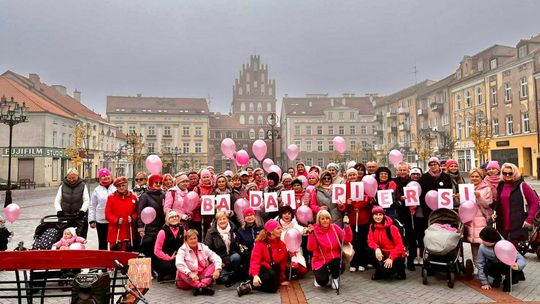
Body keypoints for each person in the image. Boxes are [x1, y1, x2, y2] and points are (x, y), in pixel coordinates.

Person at [237, 219, 289, 296]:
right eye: (278, 229)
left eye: (280, 228)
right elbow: (255, 260)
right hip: (261, 270)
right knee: (271, 275)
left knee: (273, 288)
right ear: (271, 231)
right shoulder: (260, 243)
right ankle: (249, 285)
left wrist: (281, 278)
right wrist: (255, 275)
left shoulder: (282, 245)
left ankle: (252, 286)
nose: (281, 230)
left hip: (273, 269)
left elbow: (283, 263)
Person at [495, 163, 538, 247]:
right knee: (503, 249)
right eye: (504, 173)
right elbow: (498, 202)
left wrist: (529, 219)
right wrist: (495, 212)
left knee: (512, 251)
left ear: (515, 173)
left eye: (510, 173)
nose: (507, 175)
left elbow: (534, 201)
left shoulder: (522, 185)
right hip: (502, 223)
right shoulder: (501, 185)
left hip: (517, 223)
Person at [307, 210, 352, 289]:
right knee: (322, 282)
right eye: (322, 219)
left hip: (335, 259)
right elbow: (311, 248)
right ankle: (320, 278)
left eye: (327, 218)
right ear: (319, 220)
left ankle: (335, 278)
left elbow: (347, 239)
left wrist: (347, 226)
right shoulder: (314, 230)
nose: (325, 221)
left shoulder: (334, 227)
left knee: (339, 263)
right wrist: (311, 234)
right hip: (320, 261)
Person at [339, 168, 372, 272]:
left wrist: (359, 204)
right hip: (352, 218)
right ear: (347, 176)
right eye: (350, 175)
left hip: (363, 217)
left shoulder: (362, 185)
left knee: (363, 240)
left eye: (354, 175)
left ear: (357, 175)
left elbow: (369, 198)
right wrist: (345, 204)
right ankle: (354, 262)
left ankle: (363, 262)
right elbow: (342, 206)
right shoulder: (345, 187)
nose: (352, 177)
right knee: (353, 241)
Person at [477, 227, 526, 292]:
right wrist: (485, 283)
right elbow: (480, 264)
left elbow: (520, 258)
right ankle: (497, 278)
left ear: (490, 240)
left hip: (507, 265)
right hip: (494, 265)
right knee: (487, 267)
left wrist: (518, 265)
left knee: (512, 268)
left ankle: (507, 283)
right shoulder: (482, 247)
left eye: (484, 240)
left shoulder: (505, 245)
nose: (482, 242)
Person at [175, 229, 222, 296]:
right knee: (181, 271)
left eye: (195, 238)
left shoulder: (202, 246)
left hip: (201, 277)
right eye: (190, 239)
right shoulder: (182, 249)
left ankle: (200, 287)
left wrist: (217, 270)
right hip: (187, 281)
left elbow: (215, 257)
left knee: (216, 264)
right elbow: (179, 263)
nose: (193, 241)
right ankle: (201, 287)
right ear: (186, 241)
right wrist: (190, 274)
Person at [368, 206, 407, 280]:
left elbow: (400, 246)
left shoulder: (392, 228)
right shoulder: (372, 226)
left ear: (384, 215)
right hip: (382, 253)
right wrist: (376, 248)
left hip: (395, 255)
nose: (378, 217)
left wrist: (391, 258)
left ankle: (399, 271)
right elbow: (370, 241)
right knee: (368, 251)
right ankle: (381, 269)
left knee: (387, 271)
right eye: (375, 215)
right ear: (372, 216)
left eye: (380, 214)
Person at [204, 211, 241, 287]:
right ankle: (228, 274)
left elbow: (237, 244)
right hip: (219, 259)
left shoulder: (233, 228)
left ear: (227, 219)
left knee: (236, 257)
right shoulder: (211, 232)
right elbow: (207, 249)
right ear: (217, 221)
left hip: (231, 255)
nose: (222, 221)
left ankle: (233, 271)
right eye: (220, 219)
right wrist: (219, 260)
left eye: (224, 218)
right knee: (224, 279)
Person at [465, 168, 493, 263]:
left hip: (481, 220)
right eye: (472, 176)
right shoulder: (467, 187)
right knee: (473, 245)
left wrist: (479, 197)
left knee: (483, 245)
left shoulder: (487, 189)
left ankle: (484, 266)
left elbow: (487, 204)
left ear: (481, 177)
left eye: (477, 176)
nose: (474, 178)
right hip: (471, 221)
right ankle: (476, 265)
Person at [54, 168, 90, 238]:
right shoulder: (62, 186)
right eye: (69, 178)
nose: (71, 180)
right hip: (65, 215)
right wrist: (59, 210)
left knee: (80, 236)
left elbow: (86, 200)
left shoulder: (83, 185)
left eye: (73, 178)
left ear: (77, 176)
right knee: (63, 236)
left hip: (79, 216)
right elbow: (57, 200)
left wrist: (83, 210)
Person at [105, 176, 138, 251]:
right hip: (116, 230)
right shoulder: (111, 198)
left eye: (123, 185)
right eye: (119, 186)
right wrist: (116, 220)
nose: (121, 188)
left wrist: (133, 217)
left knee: (128, 254)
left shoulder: (133, 197)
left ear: (127, 185)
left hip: (128, 230)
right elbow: (107, 213)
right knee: (115, 255)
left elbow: (137, 211)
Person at [138, 174, 166, 261]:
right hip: (149, 228)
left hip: (160, 226)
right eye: (156, 182)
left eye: (160, 183)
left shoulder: (163, 194)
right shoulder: (145, 196)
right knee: (149, 249)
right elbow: (140, 212)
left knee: (159, 248)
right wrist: (140, 228)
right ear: (150, 183)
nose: (158, 184)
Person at [89, 168, 117, 250]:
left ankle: (113, 260)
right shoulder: (97, 190)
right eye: (103, 176)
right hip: (101, 220)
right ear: (100, 178)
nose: (106, 177)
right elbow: (92, 206)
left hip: (114, 220)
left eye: (107, 175)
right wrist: (92, 220)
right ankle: (102, 260)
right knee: (102, 243)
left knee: (114, 243)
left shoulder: (115, 188)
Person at [277, 206, 308, 278]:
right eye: (284, 213)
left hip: (295, 251)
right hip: (282, 253)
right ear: (281, 215)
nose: (287, 215)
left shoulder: (295, 225)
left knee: (302, 270)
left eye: (289, 213)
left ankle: (294, 269)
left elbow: (301, 229)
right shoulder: (278, 226)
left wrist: (306, 230)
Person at [154, 210, 184, 282]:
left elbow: (185, 246)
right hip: (165, 257)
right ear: (168, 220)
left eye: (176, 216)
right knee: (168, 267)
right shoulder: (162, 232)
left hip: (178, 256)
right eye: (171, 217)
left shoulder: (183, 231)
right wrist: (169, 258)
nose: (174, 218)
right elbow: (157, 250)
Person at [236, 208, 263, 280]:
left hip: (260, 254)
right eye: (247, 215)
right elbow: (239, 245)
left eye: (251, 215)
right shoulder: (240, 231)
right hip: (247, 255)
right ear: (244, 218)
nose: (250, 217)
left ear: (254, 216)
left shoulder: (261, 229)